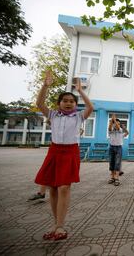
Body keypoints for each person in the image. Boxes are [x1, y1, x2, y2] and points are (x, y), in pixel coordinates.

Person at [35, 71, 94, 241]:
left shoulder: (78, 117)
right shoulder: (53, 115)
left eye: (71, 101)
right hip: (54, 151)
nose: (68, 104)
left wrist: (81, 91)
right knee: (53, 188)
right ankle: (56, 223)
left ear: (75, 104)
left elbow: (90, 107)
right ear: (59, 103)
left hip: (70, 152)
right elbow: (39, 103)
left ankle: (61, 226)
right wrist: (45, 86)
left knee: (64, 187)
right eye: (65, 101)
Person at [108, 114, 128, 186]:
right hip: (111, 147)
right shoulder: (111, 131)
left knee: (117, 163)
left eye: (119, 124)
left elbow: (126, 132)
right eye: (116, 123)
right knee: (111, 162)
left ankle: (117, 178)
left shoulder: (121, 130)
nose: (117, 125)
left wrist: (114, 120)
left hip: (118, 148)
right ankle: (112, 177)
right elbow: (110, 127)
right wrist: (112, 121)